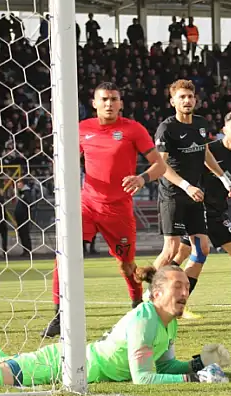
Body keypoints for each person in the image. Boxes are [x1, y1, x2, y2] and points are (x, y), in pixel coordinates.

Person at [0, 265, 230, 387]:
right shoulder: (145, 320)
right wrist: (194, 379)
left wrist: (200, 363)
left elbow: (162, 365)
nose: (185, 292)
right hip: (61, 367)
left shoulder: (168, 321)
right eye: (178, 287)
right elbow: (143, 378)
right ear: (157, 293)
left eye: (187, 286)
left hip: (72, 363)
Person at [45, 83, 167, 337]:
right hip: (87, 204)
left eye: (114, 99)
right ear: (94, 103)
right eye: (104, 99)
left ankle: (136, 304)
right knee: (64, 255)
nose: (109, 104)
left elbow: (159, 165)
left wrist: (142, 178)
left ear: (121, 103)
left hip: (118, 210)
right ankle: (59, 314)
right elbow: (63, 160)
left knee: (126, 265)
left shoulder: (133, 129)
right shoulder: (82, 129)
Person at [170, 110, 231, 312]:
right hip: (198, 210)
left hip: (218, 214)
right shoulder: (209, 150)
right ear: (224, 130)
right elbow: (191, 172)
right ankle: (175, 303)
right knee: (192, 255)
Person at [154, 80, 231, 274]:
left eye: (190, 96)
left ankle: (180, 294)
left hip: (195, 195)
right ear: (173, 101)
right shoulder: (167, 129)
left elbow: (205, 152)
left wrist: (225, 180)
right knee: (171, 250)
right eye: (182, 97)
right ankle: (146, 295)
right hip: (173, 195)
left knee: (202, 248)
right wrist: (186, 186)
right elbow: (161, 166)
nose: (187, 100)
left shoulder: (201, 123)